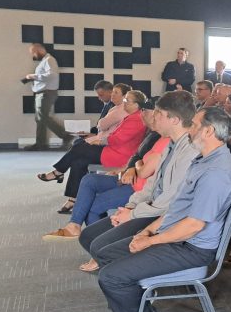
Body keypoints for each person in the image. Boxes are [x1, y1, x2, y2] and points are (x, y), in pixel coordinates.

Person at [96, 107, 231, 312]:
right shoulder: (204, 158)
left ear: (208, 131)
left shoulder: (216, 172)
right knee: (107, 256)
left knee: (112, 277)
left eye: (194, 124)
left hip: (191, 247)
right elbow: (178, 209)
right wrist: (148, 229)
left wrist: (150, 241)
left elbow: (194, 225)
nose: (189, 128)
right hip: (176, 236)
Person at [77, 91, 200, 273]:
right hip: (150, 208)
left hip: (162, 217)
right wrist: (130, 206)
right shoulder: (171, 144)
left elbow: (169, 202)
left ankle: (123, 275)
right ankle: (119, 271)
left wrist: (133, 214)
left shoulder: (189, 150)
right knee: (87, 236)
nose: (153, 116)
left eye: (159, 113)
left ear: (174, 120)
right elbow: (152, 184)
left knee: (99, 247)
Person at [43, 99, 163, 241]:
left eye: (147, 111)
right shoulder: (153, 133)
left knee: (91, 203)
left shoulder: (160, 136)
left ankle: (99, 249)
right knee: (87, 176)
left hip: (138, 185)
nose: (143, 114)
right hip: (130, 175)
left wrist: (134, 165)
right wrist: (128, 168)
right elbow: (138, 155)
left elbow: (143, 168)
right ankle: (74, 225)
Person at [38, 90, 149, 213]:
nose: (124, 103)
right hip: (114, 150)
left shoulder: (137, 119)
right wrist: (97, 140)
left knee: (79, 147)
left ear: (137, 105)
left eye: (127, 101)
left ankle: (58, 172)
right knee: (78, 161)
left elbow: (118, 138)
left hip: (119, 155)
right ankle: (73, 199)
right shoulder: (132, 116)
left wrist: (99, 141)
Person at [23, 43, 73, 150]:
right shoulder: (44, 62)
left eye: (34, 53)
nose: (33, 56)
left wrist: (33, 76)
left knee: (42, 117)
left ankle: (65, 135)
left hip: (46, 93)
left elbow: (52, 75)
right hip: (42, 93)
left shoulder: (49, 60)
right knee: (39, 119)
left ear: (38, 51)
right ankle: (40, 143)